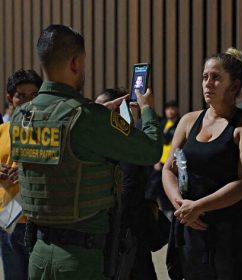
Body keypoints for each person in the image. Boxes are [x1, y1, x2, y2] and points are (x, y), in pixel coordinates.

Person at [9, 25, 162, 280]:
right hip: (80, 260)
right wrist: (146, 110)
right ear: (75, 63)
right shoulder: (88, 119)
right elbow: (151, 150)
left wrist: (97, 114)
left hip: (38, 255)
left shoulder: (21, 116)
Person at [162, 47, 242, 280]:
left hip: (232, 229)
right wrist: (181, 205)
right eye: (205, 77)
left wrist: (199, 206)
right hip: (191, 224)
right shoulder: (189, 120)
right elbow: (168, 169)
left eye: (216, 77)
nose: (208, 83)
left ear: (235, 85)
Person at [96, 88, 159, 280]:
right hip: (108, 238)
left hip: (127, 239)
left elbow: (128, 192)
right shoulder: (98, 143)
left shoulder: (125, 146)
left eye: (101, 109)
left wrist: (146, 109)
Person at [0, 69, 42, 280]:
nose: (27, 101)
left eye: (33, 95)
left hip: (39, 221)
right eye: (21, 95)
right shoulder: (1, 130)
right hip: (7, 219)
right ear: (10, 98)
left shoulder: (48, 131)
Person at [147, 100, 180, 220]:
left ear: (177, 110)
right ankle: (151, 213)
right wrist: (156, 160)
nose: (170, 111)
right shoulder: (162, 123)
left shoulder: (179, 124)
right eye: (168, 109)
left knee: (169, 189)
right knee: (154, 189)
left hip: (171, 162)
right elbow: (158, 142)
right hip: (160, 161)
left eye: (173, 108)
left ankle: (169, 215)